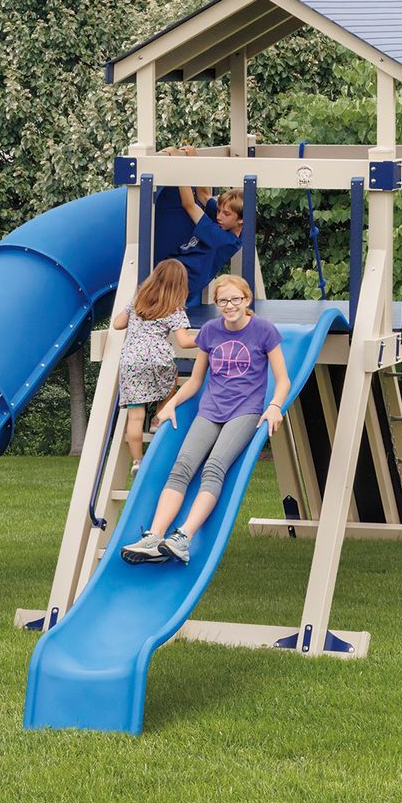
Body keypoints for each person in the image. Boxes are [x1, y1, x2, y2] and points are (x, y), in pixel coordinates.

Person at [120, 274, 287, 565]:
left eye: (235, 299)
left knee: (214, 467)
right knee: (182, 467)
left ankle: (183, 537)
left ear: (247, 300)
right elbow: (196, 381)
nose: (229, 305)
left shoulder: (264, 331)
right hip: (210, 409)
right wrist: (171, 404)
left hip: (245, 411)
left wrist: (274, 406)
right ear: (217, 304)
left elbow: (282, 380)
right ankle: (154, 538)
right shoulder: (210, 331)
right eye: (223, 301)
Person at [110, 258, 196, 477]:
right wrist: (209, 337)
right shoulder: (173, 308)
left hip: (131, 361)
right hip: (158, 359)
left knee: (135, 416)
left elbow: (117, 323)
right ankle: (159, 417)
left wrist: (133, 314)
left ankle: (137, 461)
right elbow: (185, 341)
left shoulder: (139, 300)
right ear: (180, 284)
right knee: (172, 377)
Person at [171, 184, 246, 305]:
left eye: (226, 214)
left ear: (241, 220)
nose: (218, 216)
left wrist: (182, 172)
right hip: (175, 273)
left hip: (180, 284)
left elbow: (188, 205)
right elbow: (203, 195)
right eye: (218, 210)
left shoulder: (222, 240)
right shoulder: (231, 225)